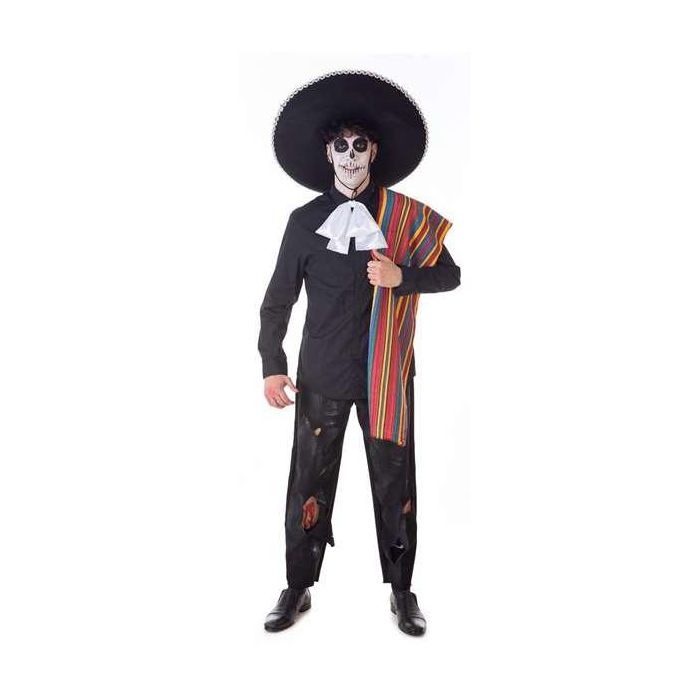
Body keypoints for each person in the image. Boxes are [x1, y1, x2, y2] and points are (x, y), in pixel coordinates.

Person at [258, 70, 460, 635]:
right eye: (341, 146)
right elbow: (277, 302)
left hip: (387, 377)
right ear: (329, 153)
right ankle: (297, 587)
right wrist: (272, 366)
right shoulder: (304, 223)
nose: (351, 156)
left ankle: (402, 591)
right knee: (308, 482)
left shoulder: (404, 218)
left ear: (374, 152)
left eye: (360, 145)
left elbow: (452, 275)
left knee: (395, 484)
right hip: (320, 375)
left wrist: (402, 277)